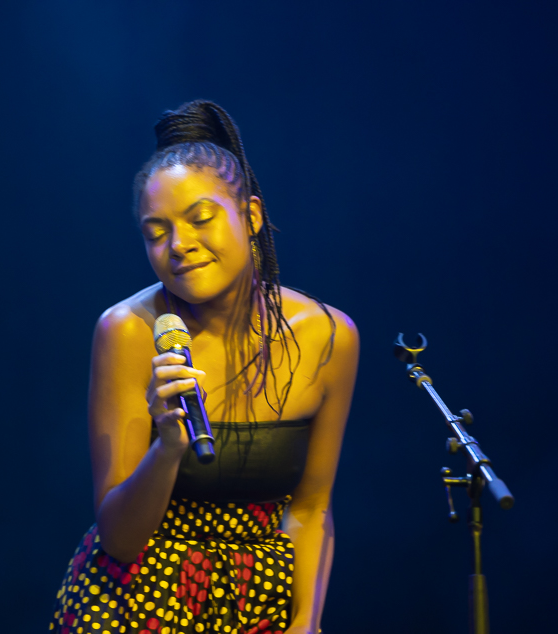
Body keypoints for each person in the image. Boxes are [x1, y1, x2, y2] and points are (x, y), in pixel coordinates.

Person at [49, 100, 358, 634]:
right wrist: (168, 446)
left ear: (251, 216)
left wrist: (306, 623)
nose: (179, 246)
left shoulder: (328, 336)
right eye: (156, 232)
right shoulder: (128, 331)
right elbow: (119, 539)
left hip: (259, 602)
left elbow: (311, 507)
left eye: (200, 219)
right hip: (138, 600)